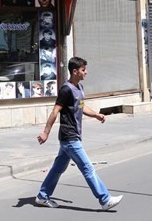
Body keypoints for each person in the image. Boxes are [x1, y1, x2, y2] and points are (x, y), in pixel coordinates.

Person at [36, 57, 123, 211]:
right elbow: (55, 110)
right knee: (87, 168)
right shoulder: (66, 89)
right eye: (83, 70)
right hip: (69, 136)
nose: (86, 73)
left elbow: (81, 107)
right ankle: (105, 199)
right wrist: (45, 132)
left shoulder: (80, 88)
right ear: (75, 71)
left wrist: (96, 114)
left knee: (58, 168)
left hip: (72, 136)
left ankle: (42, 196)